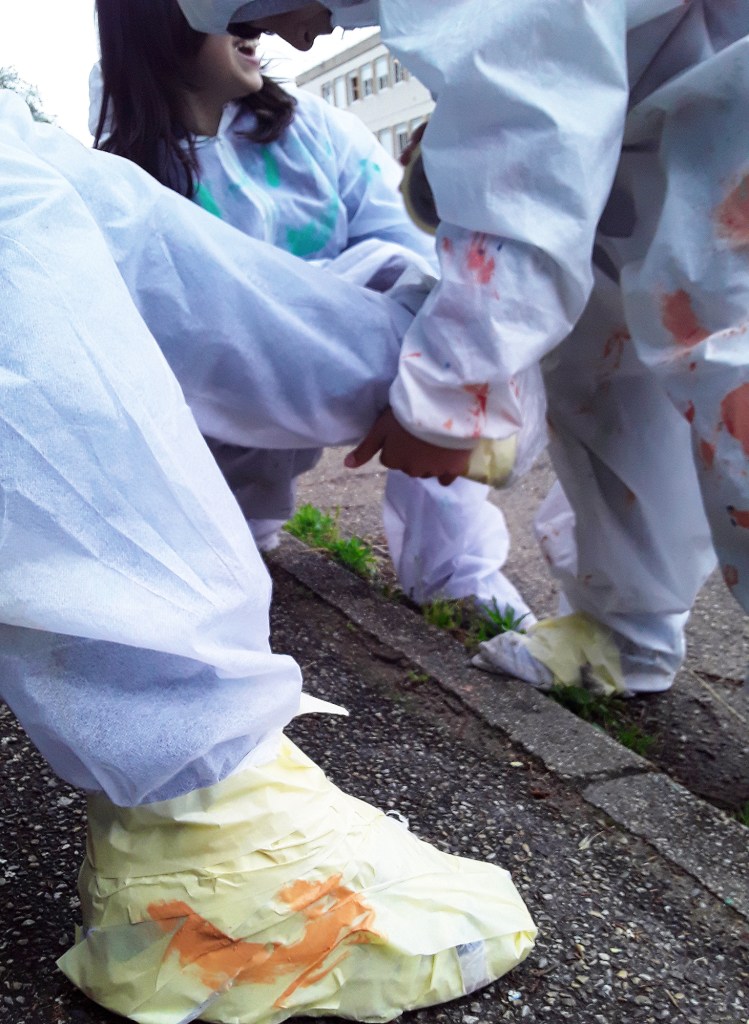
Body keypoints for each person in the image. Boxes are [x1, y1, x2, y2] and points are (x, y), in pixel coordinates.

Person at [0, 21, 536, 1024]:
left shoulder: (301, 133)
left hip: (299, 376)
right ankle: (193, 823)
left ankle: (195, 780)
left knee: (42, 196)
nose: (304, 29)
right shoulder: (136, 135)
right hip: (229, 435)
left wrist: (426, 375)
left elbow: (180, 273)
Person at [180, 0, 749, 696]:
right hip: (664, 127)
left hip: (722, 121)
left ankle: (623, 628)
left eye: (261, 14)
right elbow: (545, 99)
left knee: (726, 356)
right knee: (610, 373)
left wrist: (448, 393)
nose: (293, 41)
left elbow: (525, 157)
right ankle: (626, 633)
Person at [91, 0, 538, 619]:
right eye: (236, 12)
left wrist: (431, 379)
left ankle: (458, 576)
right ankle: (239, 535)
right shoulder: (123, 179)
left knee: (429, 310)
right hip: (216, 419)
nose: (258, 28)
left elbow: (417, 258)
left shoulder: (315, 129)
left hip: (347, 371)